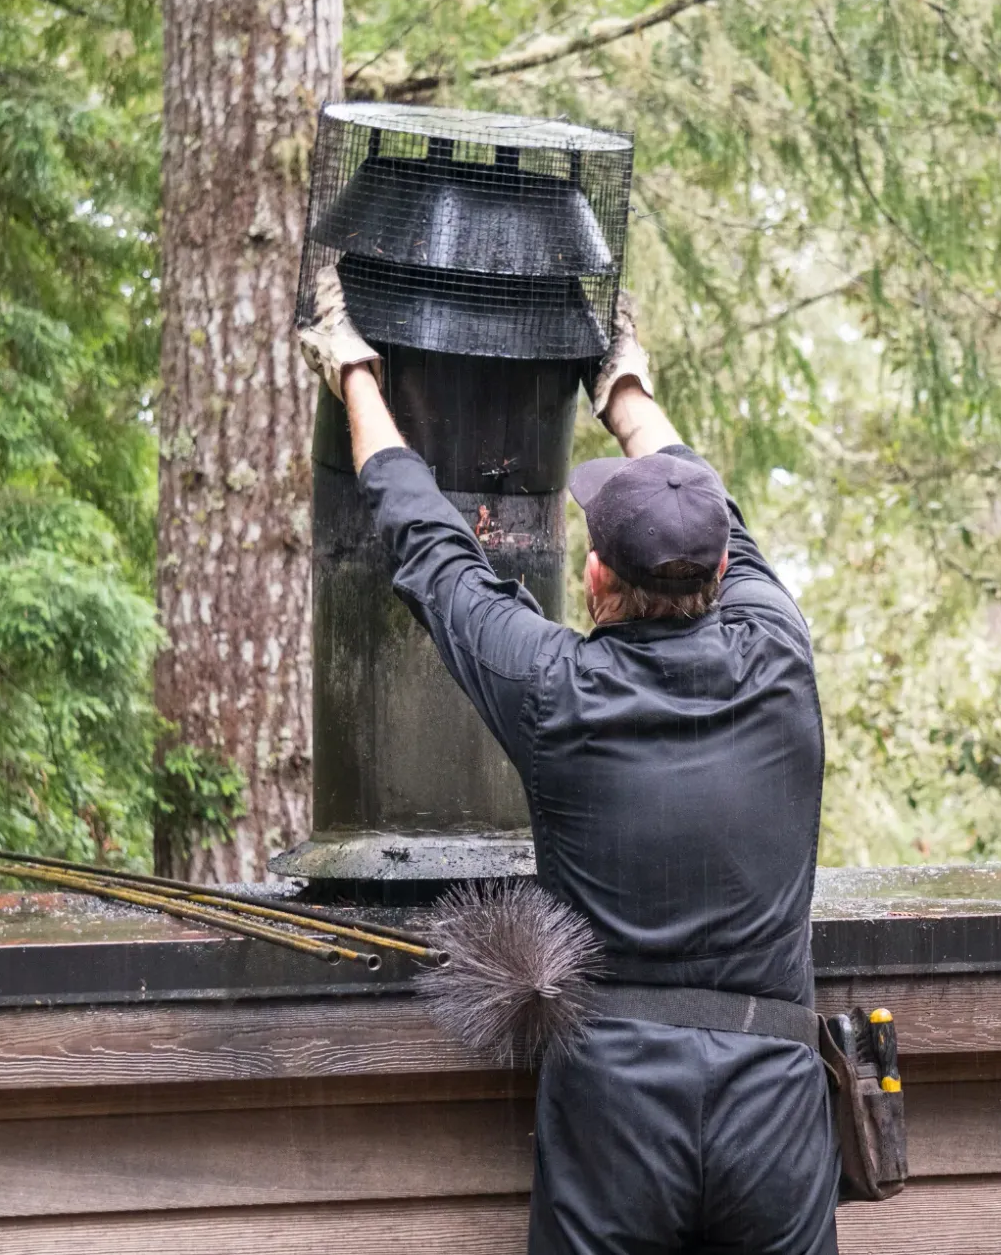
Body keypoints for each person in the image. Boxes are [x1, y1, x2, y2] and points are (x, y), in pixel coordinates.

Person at [300, 270, 837, 1255]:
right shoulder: (780, 654)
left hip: (616, 1099)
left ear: (594, 580)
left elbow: (427, 545)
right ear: (724, 572)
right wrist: (623, 384)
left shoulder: (557, 688)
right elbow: (704, 495)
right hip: (775, 1093)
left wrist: (355, 370)